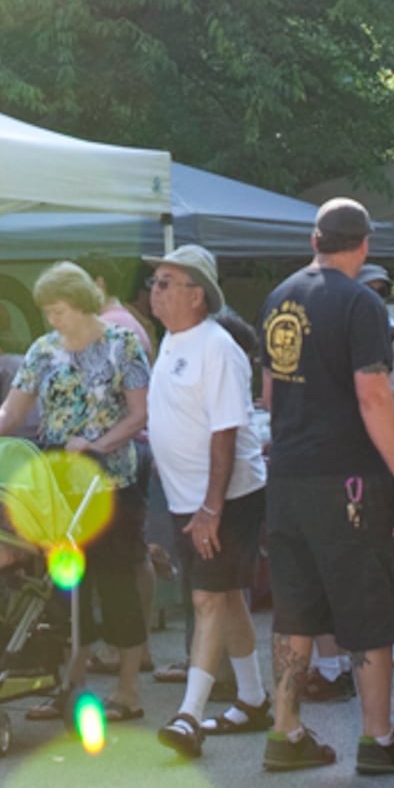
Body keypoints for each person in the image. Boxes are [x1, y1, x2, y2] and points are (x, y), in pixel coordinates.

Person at [257, 200, 394, 777]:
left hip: (288, 472)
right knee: (366, 602)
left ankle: (285, 731)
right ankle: (378, 739)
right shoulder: (358, 302)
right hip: (348, 475)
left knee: (295, 605)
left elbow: (270, 392)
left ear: (314, 239)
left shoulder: (279, 296)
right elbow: (372, 394)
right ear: (363, 246)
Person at [0, 262, 153, 726]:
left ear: (81, 304)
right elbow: (12, 408)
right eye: (48, 312)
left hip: (112, 479)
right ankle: (68, 684)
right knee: (64, 587)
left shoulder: (122, 345)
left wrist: (98, 445)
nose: (52, 320)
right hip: (59, 484)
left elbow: (140, 414)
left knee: (116, 581)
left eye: (58, 311)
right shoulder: (42, 350)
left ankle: (128, 689)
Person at [142, 245, 268, 757]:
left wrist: (211, 508)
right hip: (187, 499)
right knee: (227, 595)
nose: (155, 289)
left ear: (197, 295)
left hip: (224, 499)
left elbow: (225, 431)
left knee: (208, 598)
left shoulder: (216, 347)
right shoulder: (172, 341)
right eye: (155, 281)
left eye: (167, 282)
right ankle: (255, 698)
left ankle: (189, 715)